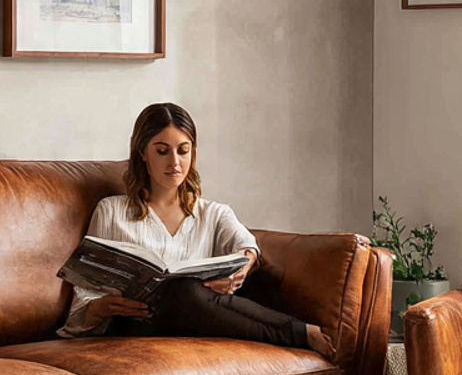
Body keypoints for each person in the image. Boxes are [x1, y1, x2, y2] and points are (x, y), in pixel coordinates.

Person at [59, 102, 333, 356]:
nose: (174, 162)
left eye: (183, 150)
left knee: (191, 291)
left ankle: (299, 333)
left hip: (194, 321)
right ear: (142, 152)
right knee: (183, 292)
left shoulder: (213, 213)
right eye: (162, 150)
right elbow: (84, 293)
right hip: (132, 326)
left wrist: (243, 268)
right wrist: (100, 308)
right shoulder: (111, 211)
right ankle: (299, 332)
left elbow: (247, 246)